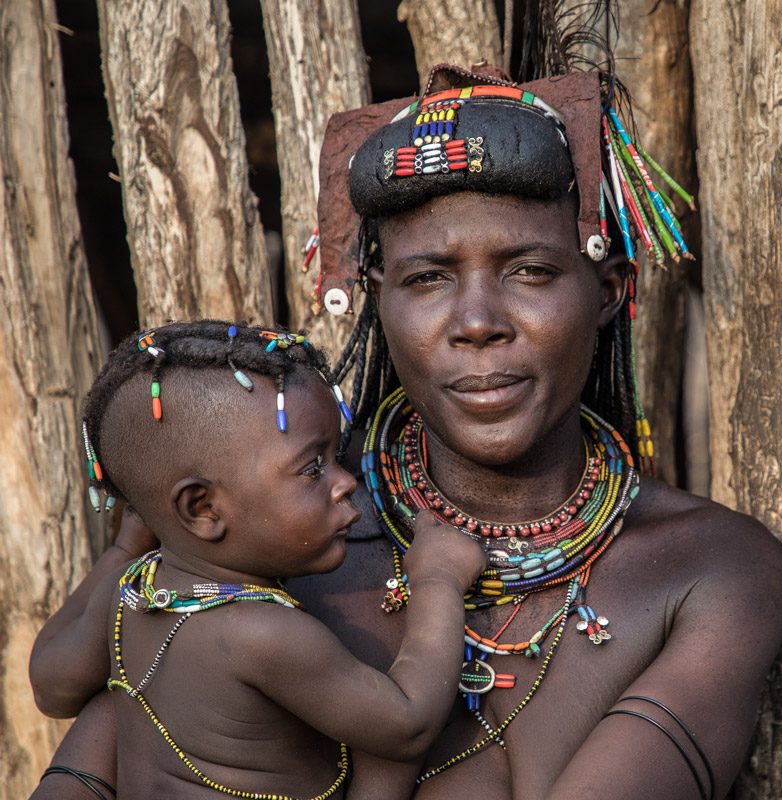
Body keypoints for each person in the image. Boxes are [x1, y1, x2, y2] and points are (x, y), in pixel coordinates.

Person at [31, 22, 782, 800]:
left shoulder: (713, 570)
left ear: (607, 291)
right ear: (379, 303)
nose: (476, 321)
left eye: (529, 271)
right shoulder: (269, 542)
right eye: (428, 279)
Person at [29, 320, 486, 800]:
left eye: (337, 457)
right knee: (390, 765)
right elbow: (408, 723)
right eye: (313, 468)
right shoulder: (267, 635)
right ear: (202, 510)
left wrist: (124, 548)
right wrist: (439, 580)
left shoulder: (134, 593)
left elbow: (53, 686)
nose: (345, 481)